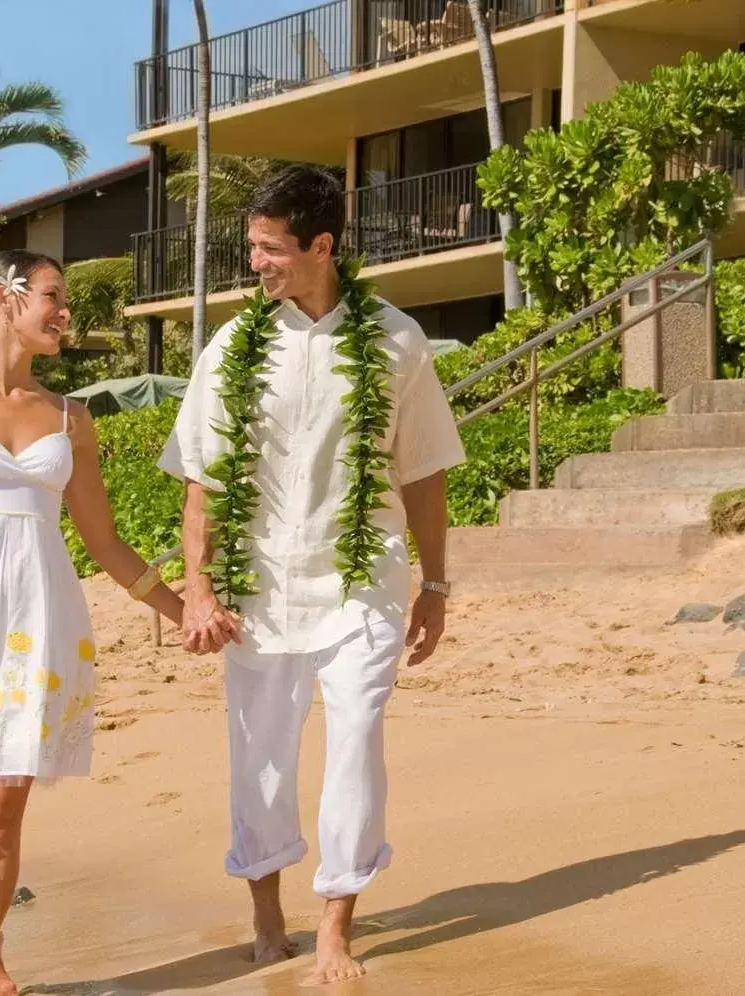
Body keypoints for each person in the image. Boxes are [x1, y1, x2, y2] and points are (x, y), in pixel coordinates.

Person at [160, 165, 465, 985]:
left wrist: (434, 587)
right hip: (258, 588)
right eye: (251, 247)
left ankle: (336, 919)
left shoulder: (397, 342)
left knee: (357, 738)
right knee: (259, 752)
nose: (254, 263)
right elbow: (202, 479)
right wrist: (199, 588)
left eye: (269, 248)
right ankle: (267, 913)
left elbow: (425, 472)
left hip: (361, 582)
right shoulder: (232, 348)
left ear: (321, 245)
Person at [0, 249, 186, 996]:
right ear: (4, 298)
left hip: (37, 623)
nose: (64, 312)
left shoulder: (71, 418)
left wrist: (182, 609)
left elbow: (104, 542)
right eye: (53, 295)